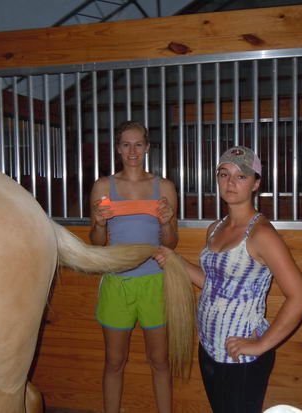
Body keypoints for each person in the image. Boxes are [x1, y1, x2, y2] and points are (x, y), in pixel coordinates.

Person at [154, 146, 302, 413]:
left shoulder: (262, 235)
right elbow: (214, 285)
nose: (230, 182)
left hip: (241, 356)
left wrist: (261, 344)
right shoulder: (215, 228)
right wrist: (175, 261)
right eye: (224, 174)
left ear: (256, 183)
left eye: (241, 176)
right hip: (209, 345)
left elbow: (301, 299)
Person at [89, 120, 178, 413]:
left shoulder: (164, 187)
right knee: (114, 362)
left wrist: (166, 222)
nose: (132, 151)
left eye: (138, 144)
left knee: (160, 361)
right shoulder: (103, 186)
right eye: (126, 144)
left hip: (155, 281)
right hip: (117, 282)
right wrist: (99, 224)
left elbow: (172, 242)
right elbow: (97, 242)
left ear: (147, 147)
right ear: (118, 148)